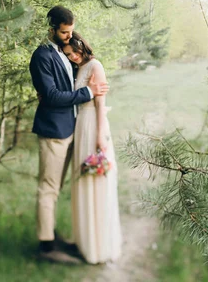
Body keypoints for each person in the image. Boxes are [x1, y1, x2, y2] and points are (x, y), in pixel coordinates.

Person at [29, 6, 109, 264]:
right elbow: (51, 96)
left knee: (58, 187)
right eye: (64, 32)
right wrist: (88, 93)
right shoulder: (41, 56)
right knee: (48, 188)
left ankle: (51, 236)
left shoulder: (64, 53)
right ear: (51, 29)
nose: (69, 36)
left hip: (71, 128)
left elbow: (71, 81)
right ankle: (46, 246)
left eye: (71, 31)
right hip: (53, 131)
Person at [63, 32, 122, 264]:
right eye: (69, 55)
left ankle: (98, 245)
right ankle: (84, 241)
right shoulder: (78, 68)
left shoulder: (95, 66)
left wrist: (100, 135)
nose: (74, 57)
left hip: (93, 126)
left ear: (83, 47)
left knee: (95, 181)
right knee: (82, 182)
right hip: (81, 126)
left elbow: (100, 104)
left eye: (76, 52)